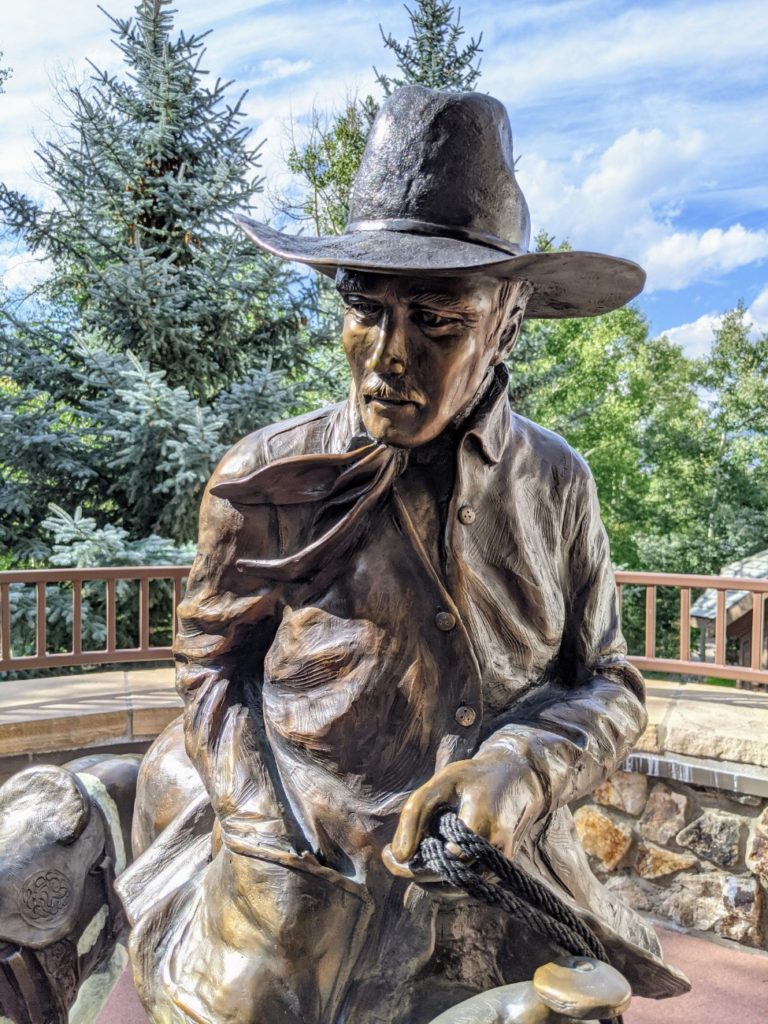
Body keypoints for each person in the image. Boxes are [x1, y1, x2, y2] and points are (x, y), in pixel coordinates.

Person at [117, 86, 689, 1023]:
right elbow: (210, 667)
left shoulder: (556, 483)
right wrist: (272, 840)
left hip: (492, 858)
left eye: (437, 321)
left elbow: (611, 682)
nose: (389, 354)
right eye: (365, 308)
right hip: (306, 835)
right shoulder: (264, 476)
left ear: (505, 320)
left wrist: (521, 764)